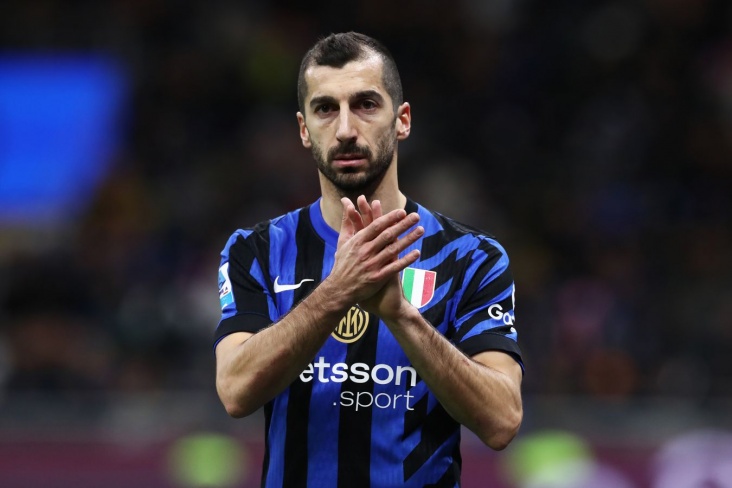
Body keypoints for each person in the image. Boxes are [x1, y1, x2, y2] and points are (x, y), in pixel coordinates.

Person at [214, 31, 524, 487]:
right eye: (325, 109)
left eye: (365, 104)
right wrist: (337, 291)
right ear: (304, 129)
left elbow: (502, 420)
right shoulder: (256, 250)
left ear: (402, 120)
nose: (345, 129)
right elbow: (235, 391)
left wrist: (402, 317)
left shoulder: (471, 257)